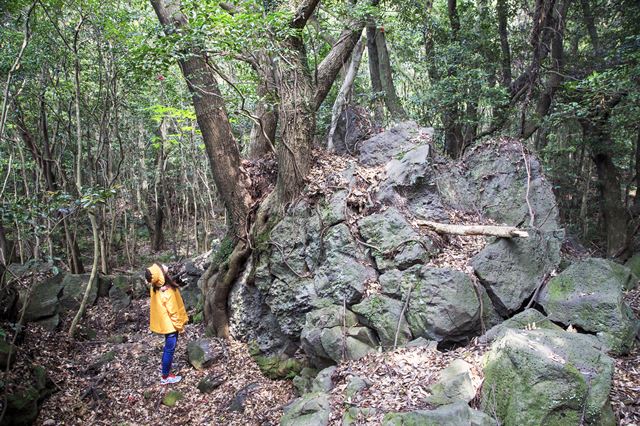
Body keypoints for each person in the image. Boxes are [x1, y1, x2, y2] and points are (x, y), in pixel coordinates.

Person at [146, 263, 188, 385]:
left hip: (165, 325)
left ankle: (167, 370)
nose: (163, 266)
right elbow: (173, 312)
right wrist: (180, 327)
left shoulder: (155, 287)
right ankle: (165, 377)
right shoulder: (166, 291)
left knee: (168, 350)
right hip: (171, 326)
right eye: (161, 267)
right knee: (169, 350)